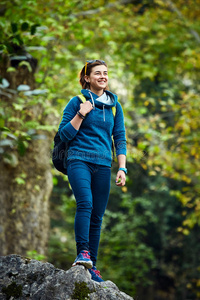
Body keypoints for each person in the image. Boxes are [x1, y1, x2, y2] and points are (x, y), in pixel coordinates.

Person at [58, 59, 127, 282]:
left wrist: (122, 167)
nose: (103, 77)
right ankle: (82, 253)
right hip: (78, 160)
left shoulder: (115, 106)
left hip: (104, 164)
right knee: (85, 203)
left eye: (105, 73)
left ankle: (92, 267)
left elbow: (120, 138)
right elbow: (64, 135)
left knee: (97, 215)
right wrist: (81, 114)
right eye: (97, 73)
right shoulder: (77, 101)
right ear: (87, 78)